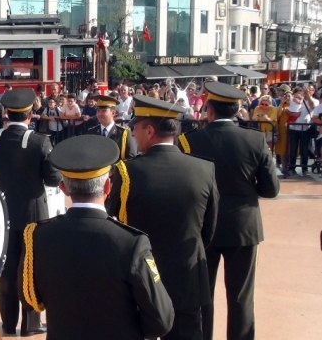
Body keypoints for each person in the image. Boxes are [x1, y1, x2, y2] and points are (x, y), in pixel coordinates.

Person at [20, 135, 174, 339]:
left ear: (64, 188)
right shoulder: (132, 242)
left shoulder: (37, 236)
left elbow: (31, 300)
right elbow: (161, 321)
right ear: (108, 187)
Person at [108, 95, 219, 340]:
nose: (133, 134)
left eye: (135, 128)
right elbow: (208, 230)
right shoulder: (204, 169)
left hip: (140, 277)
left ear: (149, 130)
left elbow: (112, 219)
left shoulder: (127, 171)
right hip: (187, 274)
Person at [179, 81, 280, 340]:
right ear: (236, 111)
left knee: (203, 295)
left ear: (209, 110)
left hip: (203, 226)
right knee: (241, 297)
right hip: (243, 226)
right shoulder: (255, 139)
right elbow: (271, 189)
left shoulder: (190, 141)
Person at [0, 88, 61, 336]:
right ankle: (30, 324)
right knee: (30, 270)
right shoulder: (41, 141)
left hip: (2, 214)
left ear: (6, 112)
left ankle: (8, 323)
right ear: (30, 114)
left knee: (7, 271)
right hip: (33, 215)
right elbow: (53, 179)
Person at [84, 95, 138, 160]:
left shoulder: (124, 133)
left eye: (104, 111)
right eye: (98, 111)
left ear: (113, 113)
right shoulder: (91, 132)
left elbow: (132, 158)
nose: (100, 114)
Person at [286, 86, 318, 176]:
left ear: (313, 91)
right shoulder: (296, 99)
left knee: (304, 150)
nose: (306, 91)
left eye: (310, 90)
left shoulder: (314, 100)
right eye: (306, 89)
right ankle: (291, 168)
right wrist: (293, 114)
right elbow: (287, 111)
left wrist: (307, 95)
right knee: (293, 149)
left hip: (306, 128)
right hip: (293, 128)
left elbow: (312, 106)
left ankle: (304, 168)